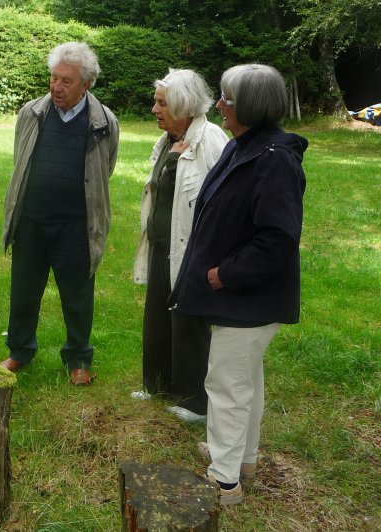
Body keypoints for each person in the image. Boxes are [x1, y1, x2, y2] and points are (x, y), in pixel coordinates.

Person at [170, 64, 307, 505]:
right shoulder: (246, 145)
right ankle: (241, 456)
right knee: (245, 378)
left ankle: (224, 480)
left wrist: (225, 273)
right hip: (240, 296)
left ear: (249, 106)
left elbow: (277, 239)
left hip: (247, 296)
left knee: (227, 383)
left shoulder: (274, 160)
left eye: (227, 99)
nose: (221, 106)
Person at [0, 42, 119, 386]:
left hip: (76, 225)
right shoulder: (31, 113)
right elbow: (20, 160)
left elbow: (103, 169)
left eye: (66, 81)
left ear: (86, 85)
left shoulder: (104, 122)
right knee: (24, 290)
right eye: (54, 78)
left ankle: (78, 358)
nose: (56, 87)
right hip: (31, 221)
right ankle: (20, 350)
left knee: (78, 295)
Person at [132, 69, 228, 422]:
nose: (154, 109)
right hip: (162, 244)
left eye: (161, 103)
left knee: (188, 321)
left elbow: (224, 199)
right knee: (157, 315)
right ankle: (156, 385)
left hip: (192, 249)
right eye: (156, 102)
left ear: (183, 105)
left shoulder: (211, 139)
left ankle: (194, 402)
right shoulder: (170, 138)